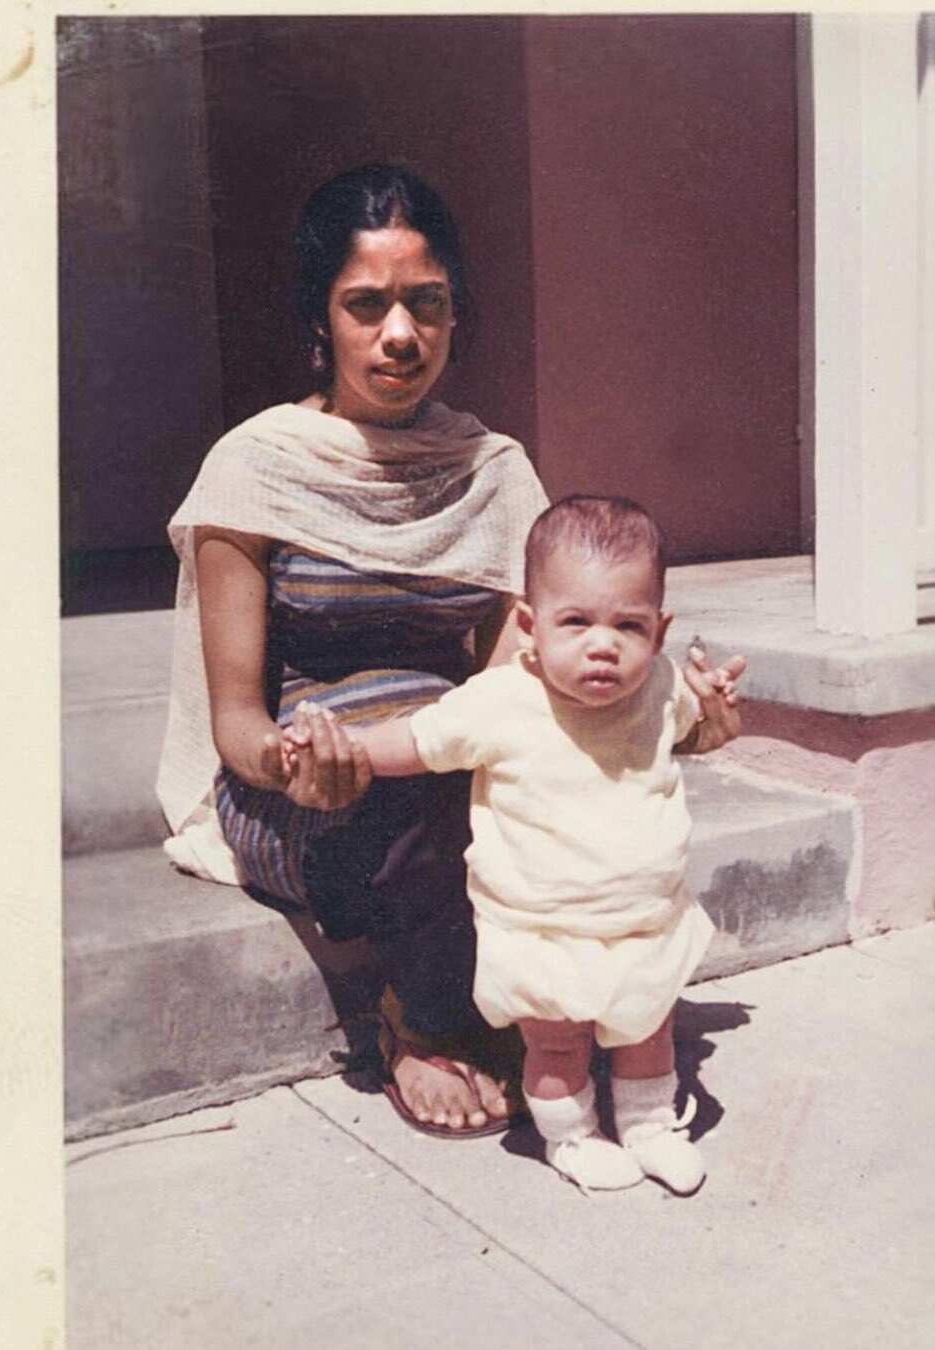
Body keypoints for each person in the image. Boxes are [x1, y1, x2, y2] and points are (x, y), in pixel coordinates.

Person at [157, 163, 743, 1139]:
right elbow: (237, 723)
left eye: (426, 303)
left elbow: (534, 675)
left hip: (444, 767)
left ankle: (570, 1004)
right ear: (321, 318)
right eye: (366, 305)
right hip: (299, 785)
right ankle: (419, 1023)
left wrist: (682, 724)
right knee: (416, 785)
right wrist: (296, 769)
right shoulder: (256, 467)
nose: (400, 334)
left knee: (501, 780)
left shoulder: (492, 468)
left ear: (455, 313)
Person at [287, 496, 746, 1192]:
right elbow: (415, 741)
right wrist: (342, 747)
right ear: (530, 627)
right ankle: (573, 1138)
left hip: (644, 916)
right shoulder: (501, 701)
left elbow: (694, 728)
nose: (603, 644)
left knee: (648, 1032)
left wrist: (712, 708)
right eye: (577, 622)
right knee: (556, 1044)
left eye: (629, 625)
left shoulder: (659, 686)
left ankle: (650, 1128)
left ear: (660, 631)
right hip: (540, 926)